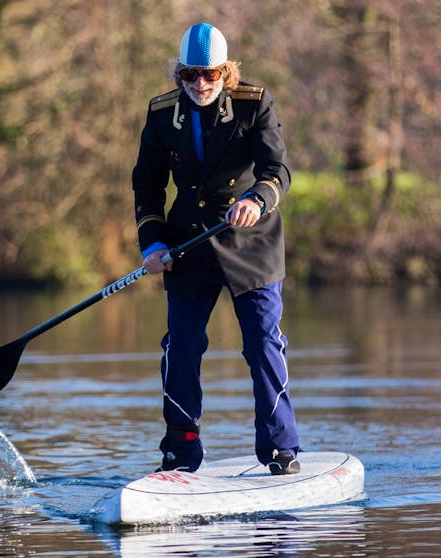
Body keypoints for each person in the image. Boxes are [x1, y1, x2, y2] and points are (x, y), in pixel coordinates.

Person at [132, 22, 300, 475]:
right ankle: (180, 454)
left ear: (226, 73)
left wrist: (256, 200)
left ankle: (281, 449)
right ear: (178, 75)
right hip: (187, 245)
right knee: (181, 348)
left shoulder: (254, 102)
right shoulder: (162, 113)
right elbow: (147, 184)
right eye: (189, 75)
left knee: (263, 343)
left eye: (210, 75)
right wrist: (153, 242)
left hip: (252, 244)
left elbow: (277, 170)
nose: (200, 84)